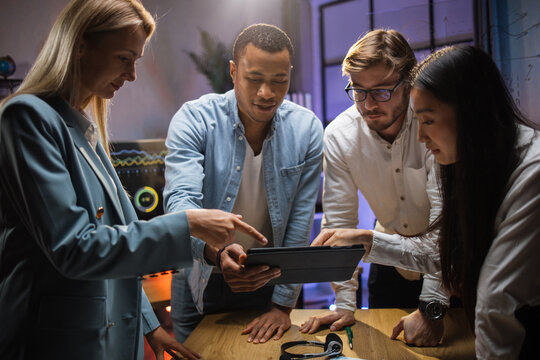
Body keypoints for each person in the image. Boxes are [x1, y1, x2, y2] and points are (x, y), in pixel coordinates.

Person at [0, 1, 268, 359]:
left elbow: (121, 237)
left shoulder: (84, 130)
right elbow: (76, 248)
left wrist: (150, 326)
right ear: (80, 45)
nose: (132, 75)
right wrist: (188, 223)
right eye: (124, 58)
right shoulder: (26, 118)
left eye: (136, 61)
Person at [312, 44, 540, 359]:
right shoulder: (466, 153)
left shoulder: (532, 174)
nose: (420, 137)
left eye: (428, 121)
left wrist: (432, 307)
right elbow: (444, 251)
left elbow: (495, 297)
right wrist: (366, 244)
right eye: (358, 91)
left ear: (470, 112)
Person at [164, 23, 324, 344]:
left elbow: (299, 224)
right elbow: (180, 205)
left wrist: (282, 305)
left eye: (280, 80)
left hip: (269, 278)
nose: (267, 93)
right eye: (254, 79)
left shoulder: (306, 129)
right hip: (200, 277)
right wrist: (215, 252)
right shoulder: (195, 119)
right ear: (234, 72)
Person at [300, 29, 448, 346]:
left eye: (381, 91)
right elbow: (339, 224)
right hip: (389, 261)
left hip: (449, 267)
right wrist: (345, 303)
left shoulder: (432, 125)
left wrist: (432, 306)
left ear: (408, 83)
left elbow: (445, 226)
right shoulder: (340, 134)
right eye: (358, 91)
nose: (367, 105)